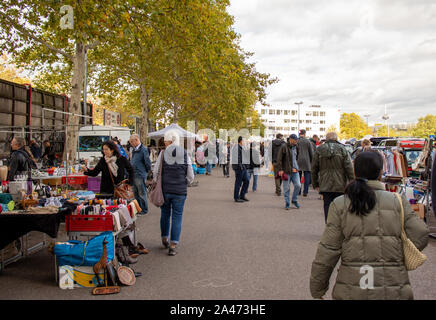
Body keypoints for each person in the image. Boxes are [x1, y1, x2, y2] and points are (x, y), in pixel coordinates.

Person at [310, 151, 429, 300]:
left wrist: (317, 289)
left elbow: (328, 251)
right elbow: (422, 234)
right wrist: (397, 255)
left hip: (352, 287)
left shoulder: (341, 203)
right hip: (394, 287)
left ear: (354, 171)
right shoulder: (397, 201)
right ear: (380, 173)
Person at [152, 135, 194, 256]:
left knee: (165, 214)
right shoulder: (184, 153)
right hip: (180, 190)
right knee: (177, 216)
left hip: (165, 189)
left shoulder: (163, 153)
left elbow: (156, 170)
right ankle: (173, 244)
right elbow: (190, 172)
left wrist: (157, 182)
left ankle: (164, 238)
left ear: (169, 142)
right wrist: (186, 182)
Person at [312, 132, 354, 222]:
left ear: (326, 139)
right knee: (340, 206)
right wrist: (352, 181)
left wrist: (315, 183)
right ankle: (339, 226)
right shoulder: (342, 149)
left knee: (327, 205)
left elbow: (314, 167)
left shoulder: (319, 149)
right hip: (340, 183)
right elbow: (348, 166)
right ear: (336, 139)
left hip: (325, 182)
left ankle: (329, 225)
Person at [276, 134, 301, 209]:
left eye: (297, 140)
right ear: (290, 139)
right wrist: (280, 169)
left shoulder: (296, 147)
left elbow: (296, 157)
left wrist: (296, 166)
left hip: (295, 170)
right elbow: (279, 159)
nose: (296, 141)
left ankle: (294, 200)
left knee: (298, 185)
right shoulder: (284, 147)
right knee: (286, 188)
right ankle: (287, 203)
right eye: (295, 140)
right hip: (286, 171)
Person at [129, 134, 152, 215]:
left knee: (141, 192)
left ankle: (144, 209)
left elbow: (147, 162)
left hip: (140, 173)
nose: (131, 143)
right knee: (136, 193)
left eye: (132, 141)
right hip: (134, 173)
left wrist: (146, 171)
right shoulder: (134, 150)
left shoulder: (143, 149)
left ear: (136, 140)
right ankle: (138, 208)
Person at [232, 136, 250, 203]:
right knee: (238, 183)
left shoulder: (241, 147)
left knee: (247, 181)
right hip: (239, 168)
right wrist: (241, 167)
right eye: (244, 140)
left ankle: (242, 195)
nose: (245, 142)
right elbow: (237, 159)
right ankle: (236, 197)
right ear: (241, 141)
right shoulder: (236, 147)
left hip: (243, 167)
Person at [297, 129, 314, 197]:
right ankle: (305, 192)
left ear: (300, 134)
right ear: (305, 134)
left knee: (298, 176)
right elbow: (311, 152)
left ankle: (298, 191)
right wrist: (312, 161)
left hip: (298, 160)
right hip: (306, 161)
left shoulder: (297, 141)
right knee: (307, 176)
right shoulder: (308, 141)